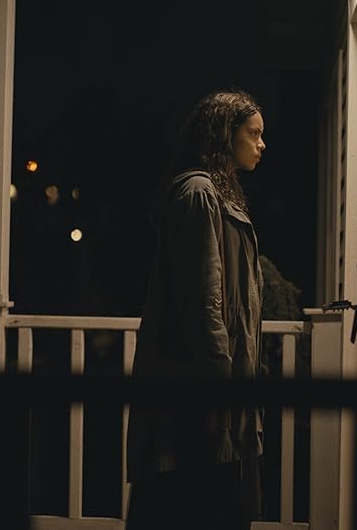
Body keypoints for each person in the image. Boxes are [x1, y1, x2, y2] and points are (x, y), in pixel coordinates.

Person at [125, 88, 267, 530]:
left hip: (218, 385)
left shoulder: (223, 194)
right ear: (226, 135)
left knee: (213, 501)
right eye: (254, 134)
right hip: (198, 388)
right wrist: (220, 384)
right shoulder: (199, 194)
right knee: (192, 502)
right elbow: (203, 299)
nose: (262, 145)